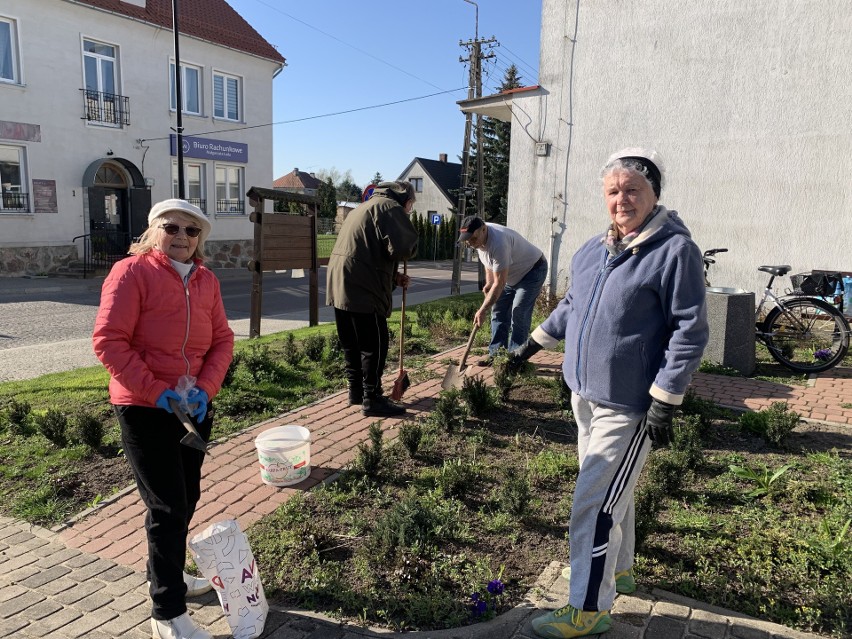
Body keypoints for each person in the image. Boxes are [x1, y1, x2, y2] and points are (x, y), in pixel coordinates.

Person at [510, 148, 709, 638]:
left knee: (592, 503)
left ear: (654, 194)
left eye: (633, 190)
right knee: (610, 492)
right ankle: (619, 572)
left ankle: (588, 608)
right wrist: (531, 345)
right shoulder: (593, 249)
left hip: (629, 404)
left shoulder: (674, 251)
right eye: (614, 191)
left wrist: (666, 399)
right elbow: (574, 305)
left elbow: (690, 330)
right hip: (584, 393)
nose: (623, 200)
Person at [93, 199, 234, 639]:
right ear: (154, 231)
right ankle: (167, 613)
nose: (181, 236)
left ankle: (168, 575)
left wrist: (205, 391)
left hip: (192, 411)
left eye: (192, 231)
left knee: (186, 498)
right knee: (167, 506)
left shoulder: (206, 280)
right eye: (171, 227)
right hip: (145, 407)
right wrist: (159, 392)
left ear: (200, 241)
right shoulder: (131, 273)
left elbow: (223, 341)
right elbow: (109, 342)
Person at [326, 180, 418, 418]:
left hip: (340, 281)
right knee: (374, 342)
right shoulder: (391, 208)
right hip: (362, 286)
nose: (409, 210)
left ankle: (356, 392)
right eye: (411, 207)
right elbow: (403, 248)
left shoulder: (365, 206)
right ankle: (373, 398)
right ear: (406, 201)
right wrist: (408, 237)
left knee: (352, 342)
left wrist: (394, 277)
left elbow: (366, 250)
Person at [458, 216, 547, 365]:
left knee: (518, 311)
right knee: (498, 311)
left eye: (472, 239)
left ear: (484, 229)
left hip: (532, 271)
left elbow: (500, 283)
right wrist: (489, 282)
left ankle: (515, 359)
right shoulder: (479, 241)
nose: (470, 243)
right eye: (467, 240)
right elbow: (488, 261)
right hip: (510, 274)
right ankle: (497, 355)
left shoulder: (499, 243)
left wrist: (482, 310)